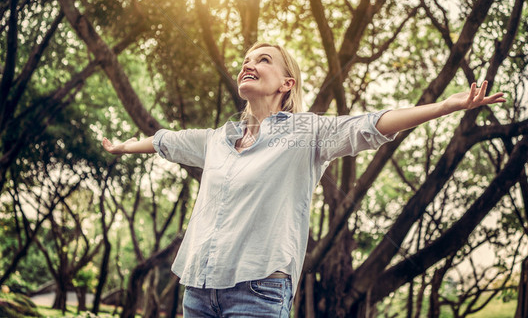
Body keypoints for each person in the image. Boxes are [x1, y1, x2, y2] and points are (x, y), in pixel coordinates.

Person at [102, 42, 505, 317]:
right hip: (197, 290)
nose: (249, 64)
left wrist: (448, 106)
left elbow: (371, 125)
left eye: (262, 60)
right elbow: (164, 141)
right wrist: (122, 146)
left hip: (257, 293)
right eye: (246, 60)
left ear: (286, 83)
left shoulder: (305, 133)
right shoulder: (216, 141)